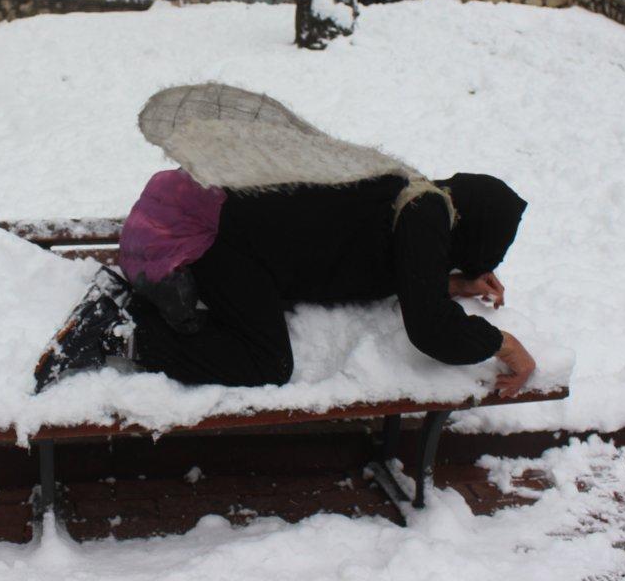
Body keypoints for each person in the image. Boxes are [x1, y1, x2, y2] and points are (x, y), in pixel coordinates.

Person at [34, 84, 537, 399]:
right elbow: (429, 330)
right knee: (266, 364)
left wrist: (449, 283)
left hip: (226, 234)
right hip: (217, 242)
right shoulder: (425, 217)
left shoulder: (415, 199)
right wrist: (505, 346)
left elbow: (394, 270)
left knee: (258, 352)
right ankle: (115, 333)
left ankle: (135, 318)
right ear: (470, 229)